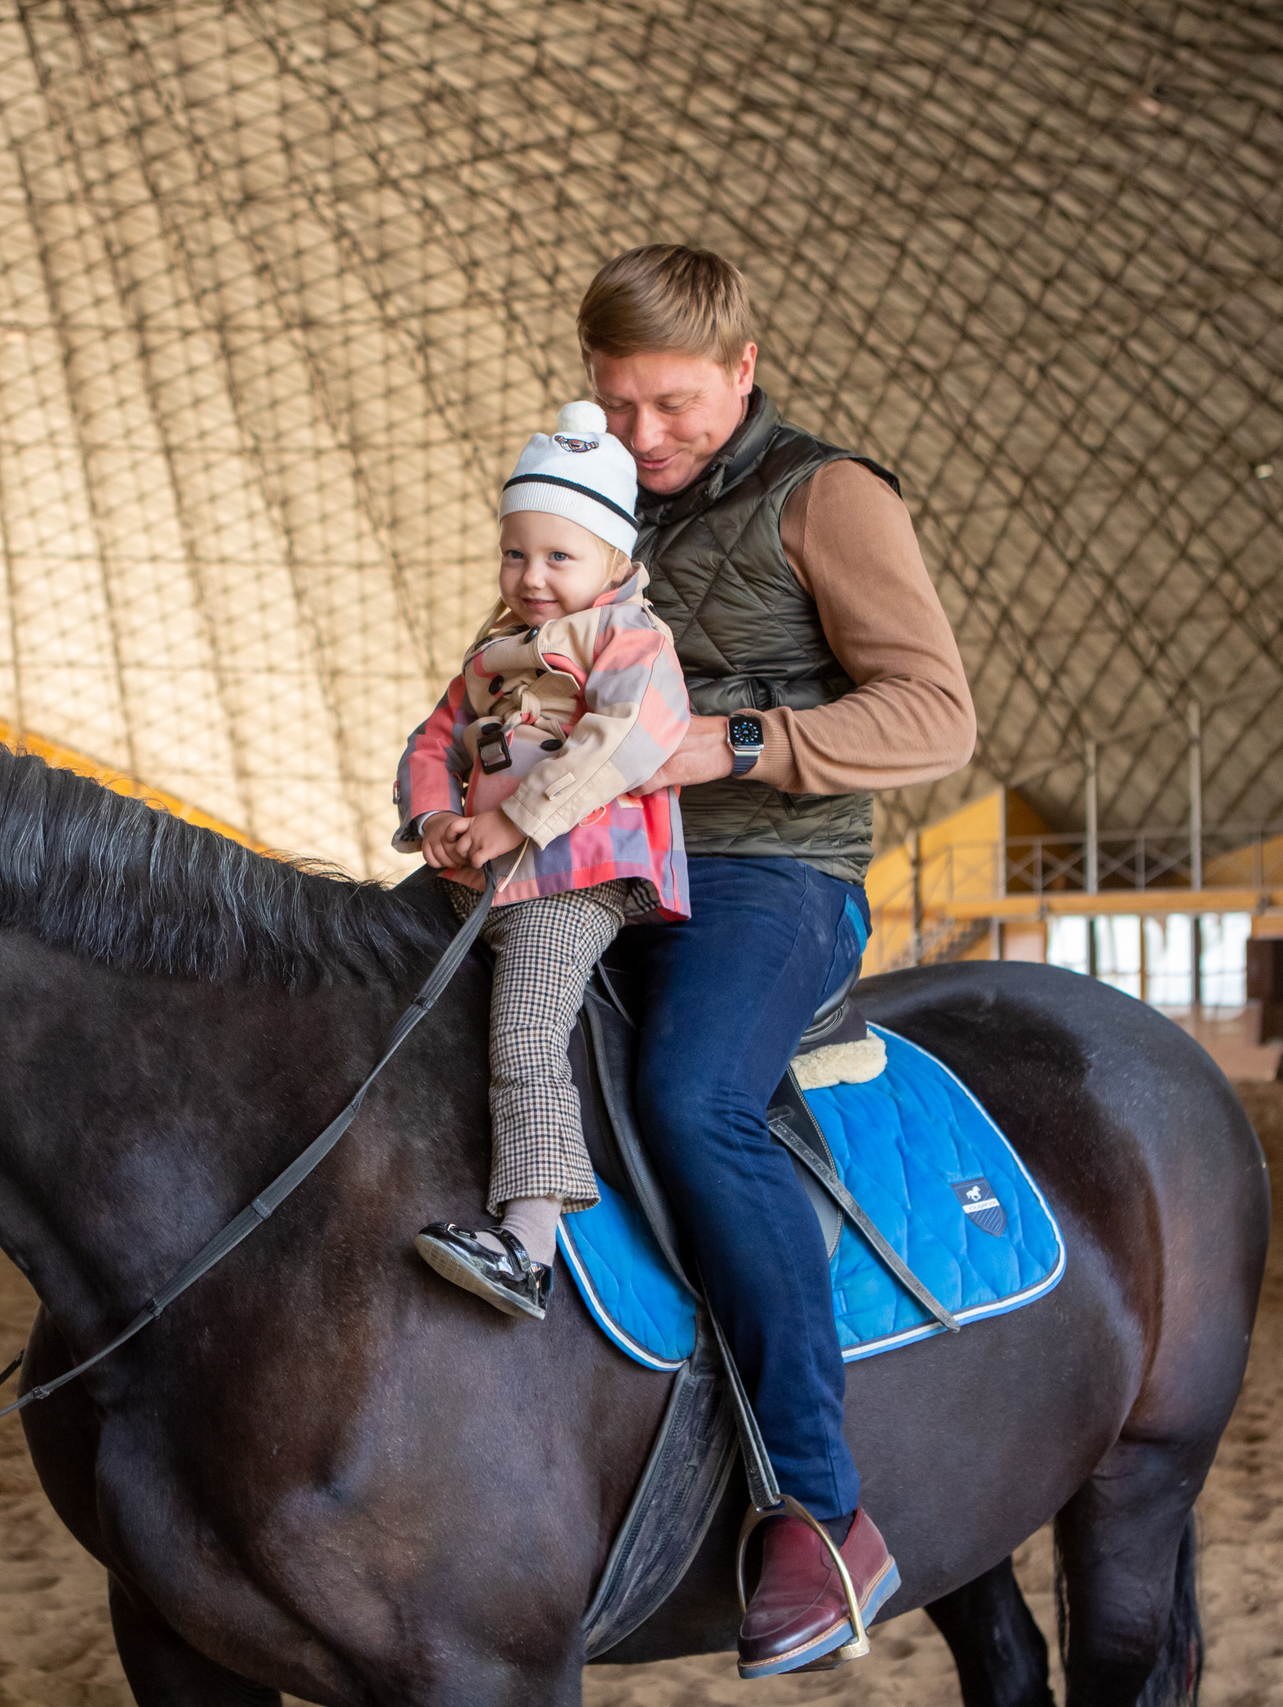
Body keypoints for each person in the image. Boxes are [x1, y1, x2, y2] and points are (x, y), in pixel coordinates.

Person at [582, 246, 977, 1678]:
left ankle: (819, 1500)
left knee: (692, 1096)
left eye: (673, 406)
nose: (644, 437)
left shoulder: (831, 495)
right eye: (617, 406)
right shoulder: (606, 497)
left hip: (773, 876)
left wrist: (733, 744)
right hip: (608, 864)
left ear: (742, 372)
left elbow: (935, 714)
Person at [393, 402, 692, 1322]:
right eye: (515, 554)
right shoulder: (494, 656)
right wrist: (436, 814)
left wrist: (517, 818)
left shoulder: (631, 640)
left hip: (575, 877)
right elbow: (432, 740)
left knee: (525, 1025)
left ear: (613, 560)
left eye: (559, 557)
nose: (532, 577)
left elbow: (629, 737)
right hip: (478, 873)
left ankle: (528, 1241)